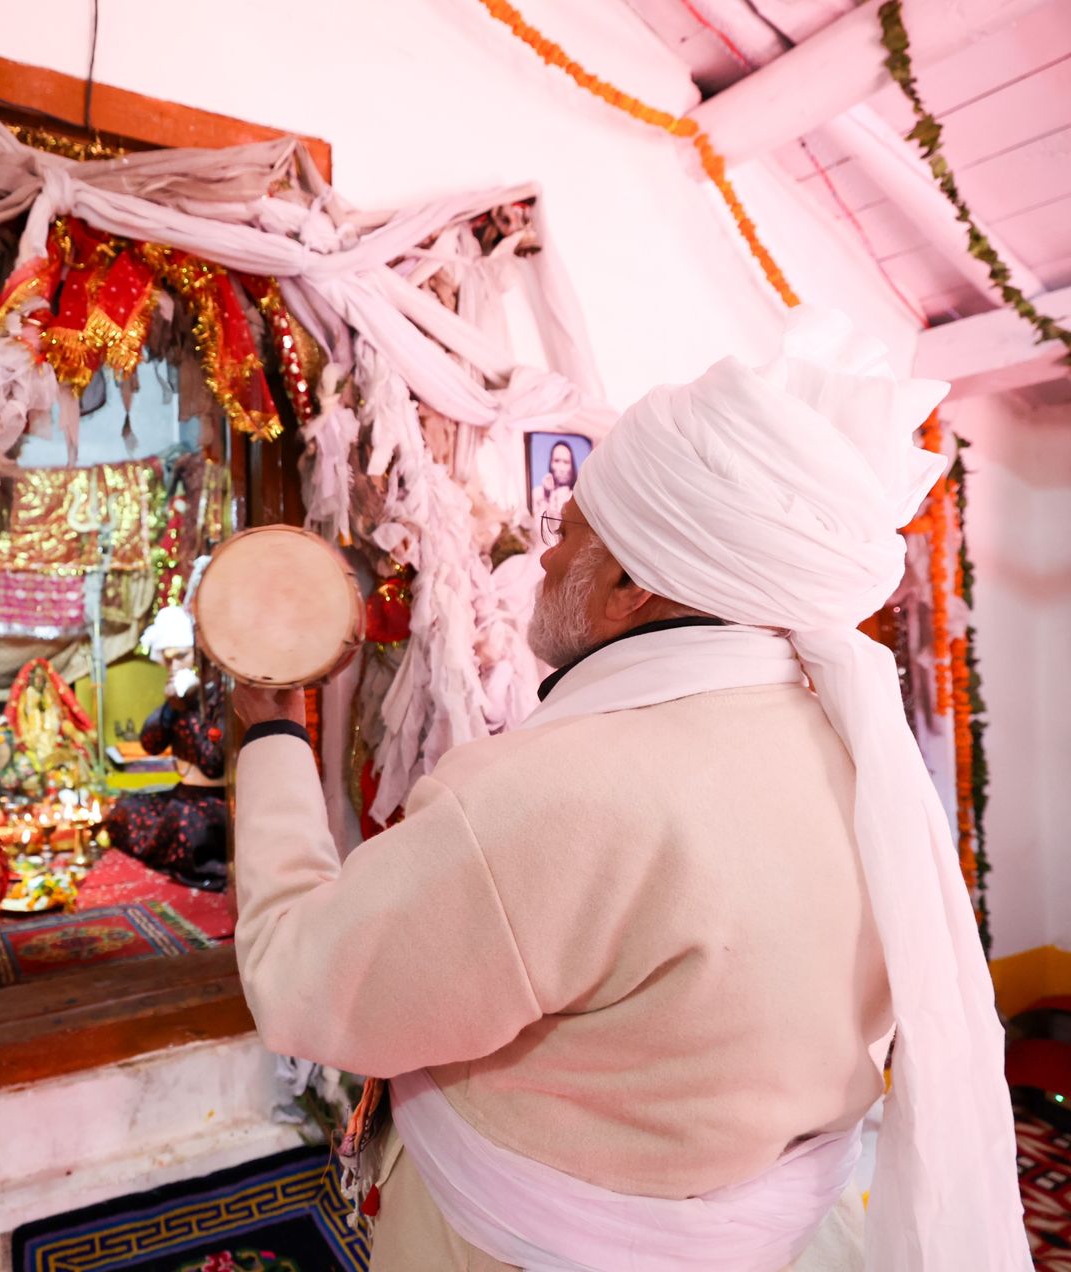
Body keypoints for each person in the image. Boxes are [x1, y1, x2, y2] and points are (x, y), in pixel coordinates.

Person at [231, 311, 1028, 1271]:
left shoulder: (555, 792)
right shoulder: (859, 758)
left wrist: (271, 733)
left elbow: (302, 983)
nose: (544, 559)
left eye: (567, 533)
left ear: (628, 587)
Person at [104, 606, 229, 890]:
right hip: (184, 793)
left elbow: (213, 763)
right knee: (126, 808)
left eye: (181, 657)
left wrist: (187, 708)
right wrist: (172, 708)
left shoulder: (220, 697)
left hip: (216, 802)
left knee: (184, 821)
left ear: (199, 655)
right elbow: (150, 744)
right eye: (168, 659)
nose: (174, 667)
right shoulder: (179, 696)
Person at [532, 438, 578, 520]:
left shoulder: (578, 498)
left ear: (572, 467)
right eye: (557, 461)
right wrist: (546, 497)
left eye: (566, 462)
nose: (561, 468)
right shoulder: (537, 494)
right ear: (550, 463)